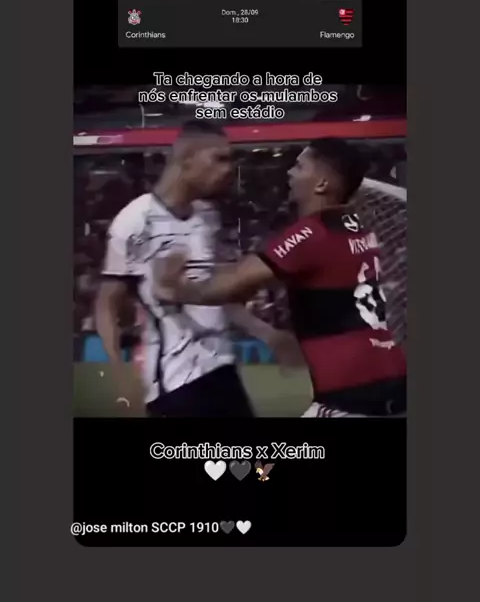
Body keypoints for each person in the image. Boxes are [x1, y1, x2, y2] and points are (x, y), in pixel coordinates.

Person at [155, 138, 407, 418]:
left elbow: (226, 287)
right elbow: (251, 277)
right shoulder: (358, 229)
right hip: (389, 377)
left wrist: (173, 289)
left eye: (299, 167)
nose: (289, 172)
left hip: (354, 394)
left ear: (322, 184)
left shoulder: (310, 233)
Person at [95, 120, 268, 418]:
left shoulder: (208, 216)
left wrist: (265, 332)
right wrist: (121, 379)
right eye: (219, 159)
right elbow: (106, 305)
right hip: (175, 384)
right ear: (187, 160)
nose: (229, 169)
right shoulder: (136, 221)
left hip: (222, 371)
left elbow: (214, 295)